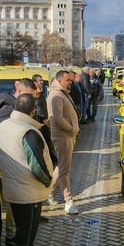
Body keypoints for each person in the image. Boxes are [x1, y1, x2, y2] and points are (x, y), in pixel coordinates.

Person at [0, 94, 53, 246]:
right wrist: (48, 180)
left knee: (24, 225)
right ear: (33, 111)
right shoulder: (28, 131)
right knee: (27, 227)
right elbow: (37, 164)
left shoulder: (4, 125)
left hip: (14, 185)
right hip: (28, 189)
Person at [47, 70, 80, 214]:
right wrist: (72, 129)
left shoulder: (61, 93)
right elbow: (56, 119)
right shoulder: (55, 95)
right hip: (63, 136)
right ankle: (68, 201)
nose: (71, 82)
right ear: (60, 81)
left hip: (67, 136)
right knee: (64, 170)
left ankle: (49, 192)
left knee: (61, 167)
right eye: (68, 80)